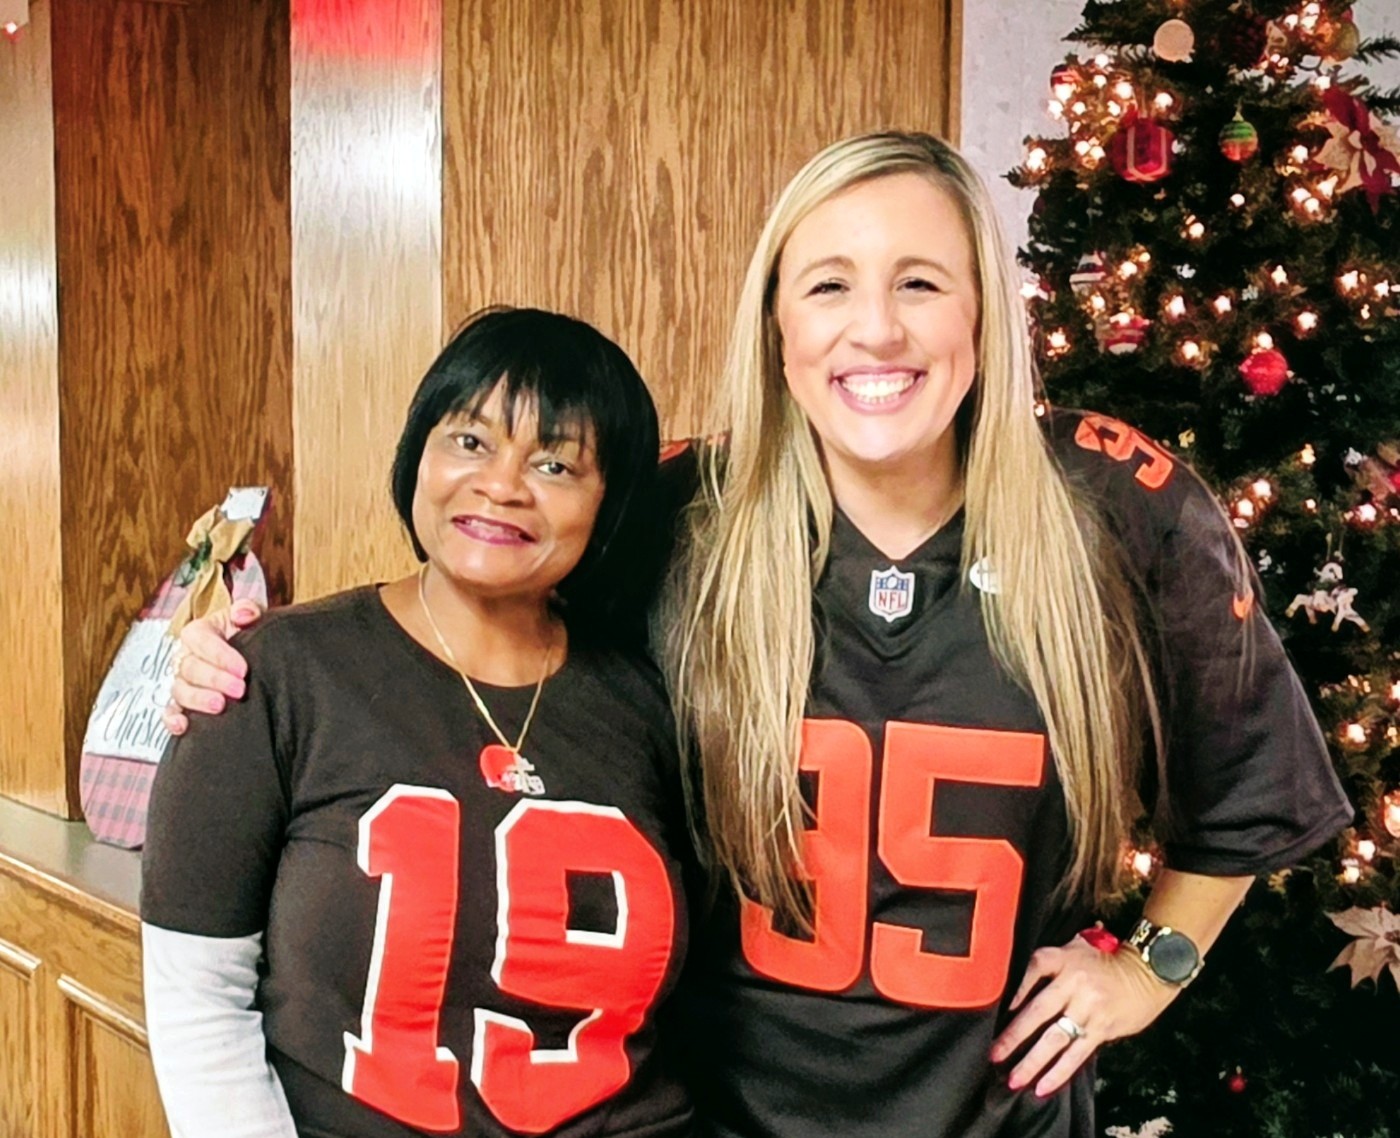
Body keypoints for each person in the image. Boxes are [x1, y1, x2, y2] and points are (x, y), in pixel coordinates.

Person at [165, 133, 1352, 1137]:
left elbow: (1245, 789)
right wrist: (236, 665)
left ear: (984, 313)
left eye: (919, 283)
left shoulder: (1115, 508)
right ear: (778, 324)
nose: (873, 330)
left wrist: (1149, 966)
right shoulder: (684, 510)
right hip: (716, 1116)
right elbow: (479, 598)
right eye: (828, 285)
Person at [141, 307, 694, 1138]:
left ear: (608, 504)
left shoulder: (650, 706)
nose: (502, 485)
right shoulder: (271, 676)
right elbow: (198, 1002)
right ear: (417, 456)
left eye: (555, 463)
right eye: (470, 441)